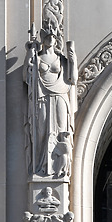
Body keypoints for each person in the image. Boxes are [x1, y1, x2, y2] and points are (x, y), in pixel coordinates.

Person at [25, 27, 77, 177]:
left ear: (56, 38)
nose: (50, 38)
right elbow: (25, 77)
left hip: (60, 95)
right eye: (47, 36)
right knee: (41, 131)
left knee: (62, 131)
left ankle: (60, 167)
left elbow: (72, 79)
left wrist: (72, 59)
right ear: (42, 38)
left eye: (53, 36)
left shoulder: (62, 59)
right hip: (41, 96)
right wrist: (29, 52)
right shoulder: (37, 58)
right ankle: (42, 166)